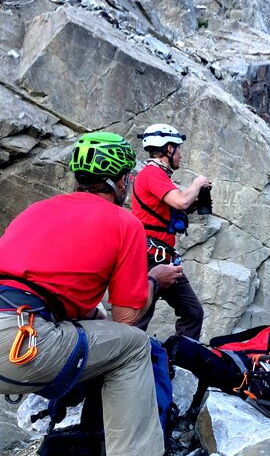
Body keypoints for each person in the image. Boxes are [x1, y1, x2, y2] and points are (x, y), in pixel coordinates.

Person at [0, 132, 181, 456]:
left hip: (17, 322)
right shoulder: (124, 223)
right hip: (22, 345)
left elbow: (39, 287)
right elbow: (127, 318)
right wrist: (155, 280)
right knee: (138, 346)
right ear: (122, 181)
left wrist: (95, 315)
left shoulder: (37, 210)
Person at [131, 123, 212, 339]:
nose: (181, 155)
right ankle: (124, 363)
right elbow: (181, 202)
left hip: (161, 257)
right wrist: (197, 183)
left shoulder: (159, 177)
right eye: (178, 148)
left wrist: (197, 199)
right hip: (149, 257)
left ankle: (179, 363)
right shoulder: (152, 174)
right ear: (169, 149)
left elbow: (174, 212)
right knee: (139, 320)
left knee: (192, 312)